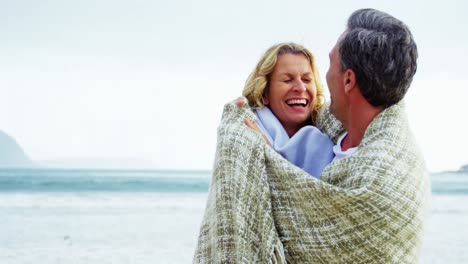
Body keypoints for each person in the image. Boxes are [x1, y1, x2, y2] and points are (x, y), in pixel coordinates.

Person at [195, 8, 430, 263]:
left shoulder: (386, 176)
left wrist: (265, 158)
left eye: (330, 63)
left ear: (348, 80)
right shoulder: (330, 130)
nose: (319, 80)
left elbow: (310, 217)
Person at [241, 42, 334, 177]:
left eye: (307, 79)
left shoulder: (330, 141)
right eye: (287, 80)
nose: (301, 88)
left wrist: (271, 156)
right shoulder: (246, 131)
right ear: (264, 92)